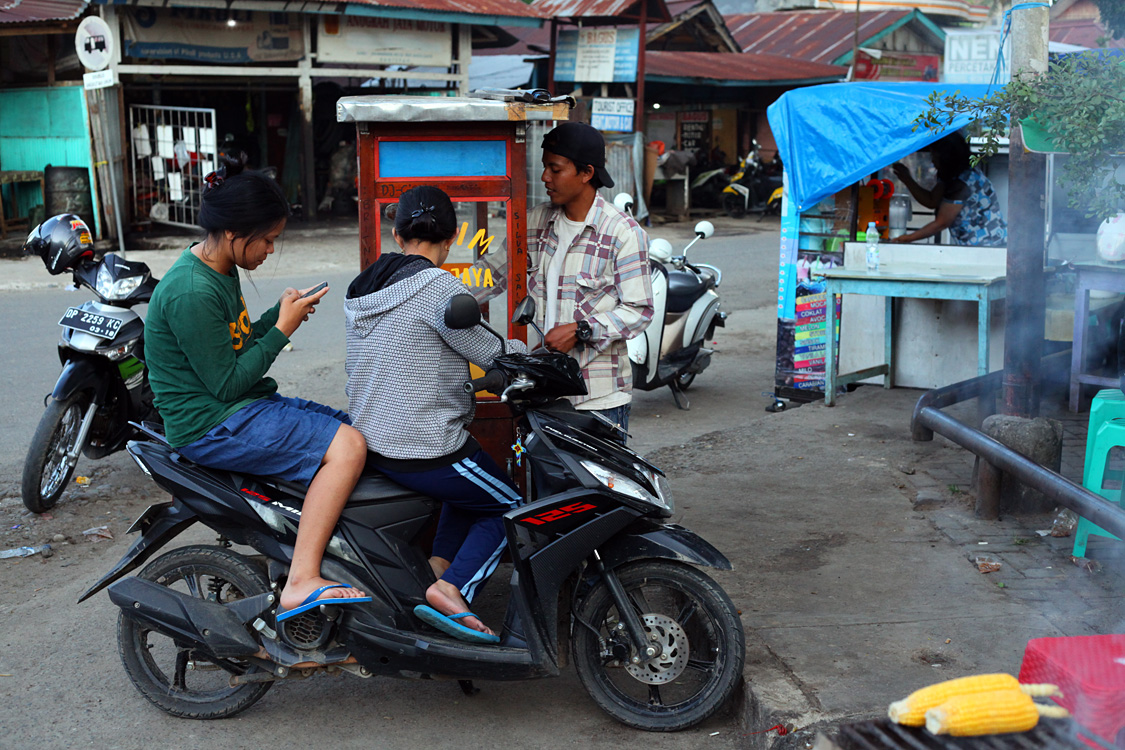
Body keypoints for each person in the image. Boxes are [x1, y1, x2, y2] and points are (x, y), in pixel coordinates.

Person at [143, 155, 371, 623]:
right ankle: (302, 579)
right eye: (267, 239)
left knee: (357, 428)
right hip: (211, 423)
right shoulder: (191, 291)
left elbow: (236, 347)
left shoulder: (218, 268)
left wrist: (276, 316)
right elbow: (227, 383)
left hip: (239, 406)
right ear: (233, 233)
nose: (270, 249)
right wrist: (283, 329)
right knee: (347, 447)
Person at [344, 186, 526, 644]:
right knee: (513, 510)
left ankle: (438, 568)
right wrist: (535, 358)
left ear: (396, 234)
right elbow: (492, 353)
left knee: (469, 487)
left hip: (372, 439)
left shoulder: (365, 286)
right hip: (422, 446)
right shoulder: (439, 287)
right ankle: (452, 590)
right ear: (452, 239)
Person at [474, 122, 654, 443]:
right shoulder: (535, 222)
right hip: (544, 390)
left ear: (586, 173)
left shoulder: (622, 233)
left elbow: (639, 311)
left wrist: (581, 329)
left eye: (555, 169)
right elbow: (492, 273)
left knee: (592, 478)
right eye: (545, 167)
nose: (545, 177)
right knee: (544, 473)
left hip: (598, 399)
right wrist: (436, 291)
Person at [891, 132, 1008, 247]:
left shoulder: (962, 183)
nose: (932, 161)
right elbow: (932, 201)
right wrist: (907, 179)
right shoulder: (951, 175)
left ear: (947, 158)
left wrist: (907, 238)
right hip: (975, 247)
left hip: (987, 247)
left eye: (935, 157)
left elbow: (941, 223)